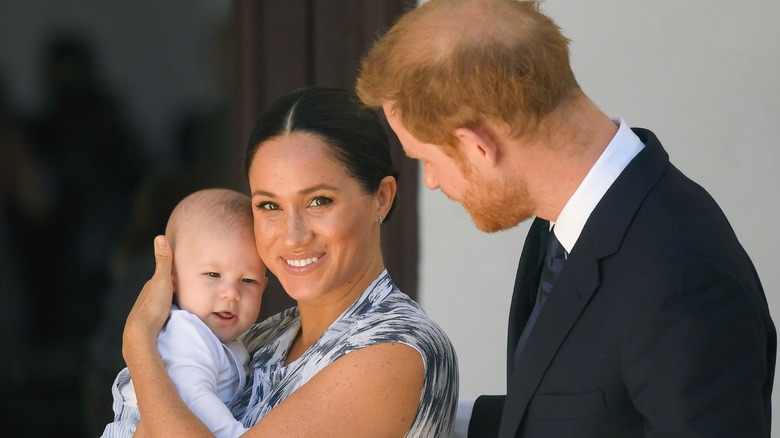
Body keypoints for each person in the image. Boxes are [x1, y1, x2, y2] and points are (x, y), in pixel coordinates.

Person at [356, 0, 775, 437]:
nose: (432, 182)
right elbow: (579, 413)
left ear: (478, 146)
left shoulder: (683, 277)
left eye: (425, 159)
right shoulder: (563, 221)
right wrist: (416, 416)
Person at [122, 86, 459, 437]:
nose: (293, 236)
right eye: (270, 206)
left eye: (319, 201)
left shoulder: (395, 348)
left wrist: (139, 344)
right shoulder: (265, 336)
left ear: (382, 198)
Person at [102, 188, 268, 437]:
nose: (231, 293)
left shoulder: (222, 340)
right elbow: (193, 398)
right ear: (172, 278)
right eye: (213, 275)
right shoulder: (186, 333)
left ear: (264, 287)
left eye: (248, 280)